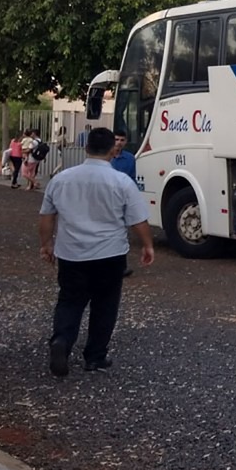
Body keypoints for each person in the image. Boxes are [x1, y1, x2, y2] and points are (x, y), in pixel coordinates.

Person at [39, 127, 154, 376]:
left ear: (86, 147)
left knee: (69, 301)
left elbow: (47, 216)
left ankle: (61, 341)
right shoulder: (121, 181)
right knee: (105, 305)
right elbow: (137, 219)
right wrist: (148, 244)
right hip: (109, 254)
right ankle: (95, 356)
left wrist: (47, 244)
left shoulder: (62, 179)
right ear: (113, 149)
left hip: (71, 253)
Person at [109, 129, 138, 278]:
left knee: (121, 233)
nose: (119, 143)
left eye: (122, 140)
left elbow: (132, 178)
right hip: (106, 200)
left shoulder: (130, 159)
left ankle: (121, 266)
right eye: (116, 139)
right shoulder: (106, 158)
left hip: (122, 200)